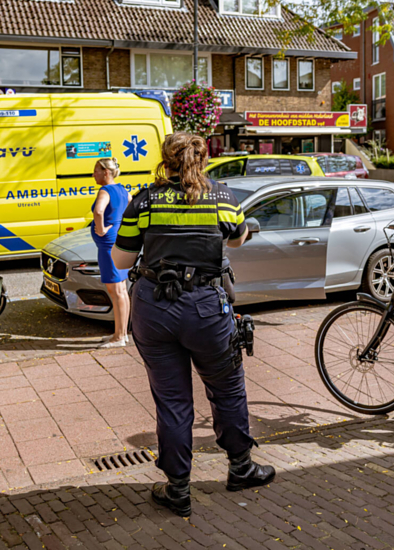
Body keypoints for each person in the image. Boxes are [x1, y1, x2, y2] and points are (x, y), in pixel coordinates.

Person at [111, 132, 274, 517]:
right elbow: (235, 240)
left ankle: (178, 489)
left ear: (165, 161)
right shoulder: (223, 197)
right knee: (228, 389)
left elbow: (120, 260)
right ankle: (241, 468)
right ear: (203, 159)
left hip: (153, 307)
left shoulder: (144, 200)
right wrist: (244, 228)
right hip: (206, 308)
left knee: (172, 401)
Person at [90, 157, 131, 348]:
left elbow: (99, 211)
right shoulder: (123, 190)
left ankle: (119, 337)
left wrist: (100, 229)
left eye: (96, 171)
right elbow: (132, 210)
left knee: (115, 291)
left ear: (106, 172)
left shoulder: (105, 190)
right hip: (118, 242)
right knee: (121, 289)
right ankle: (121, 334)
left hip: (108, 245)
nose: (93, 174)